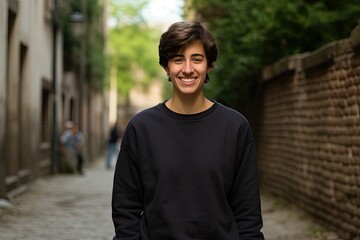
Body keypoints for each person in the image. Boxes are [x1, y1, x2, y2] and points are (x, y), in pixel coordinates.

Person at [112, 21, 265, 239]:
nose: (187, 69)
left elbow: (248, 213)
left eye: (197, 59)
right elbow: (125, 207)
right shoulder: (141, 128)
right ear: (166, 66)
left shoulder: (235, 127)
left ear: (209, 65)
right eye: (178, 59)